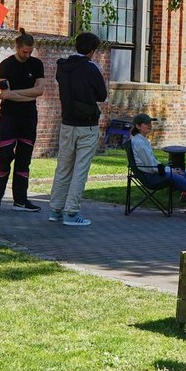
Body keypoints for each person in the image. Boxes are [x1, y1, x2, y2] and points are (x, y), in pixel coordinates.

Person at [51, 31, 108, 226]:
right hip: (87, 125)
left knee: (63, 167)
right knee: (80, 169)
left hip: (67, 122)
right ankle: (71, 212)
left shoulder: (63, 66)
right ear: (92, 50)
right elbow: (102, 95)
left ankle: (55, 209)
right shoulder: (91, 68)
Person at [0, 29, 45, 212]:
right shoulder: (6, 65)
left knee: (24, 159)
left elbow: (39, 90)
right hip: (9, 117)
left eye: (30, 52)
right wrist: (25, 94)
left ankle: (20, 200)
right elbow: (4, 95)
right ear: (17, 47)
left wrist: (13, 94)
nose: (27, 55)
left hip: (29, 117)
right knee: (6, 155)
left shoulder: (37, 64)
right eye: (24, 52)